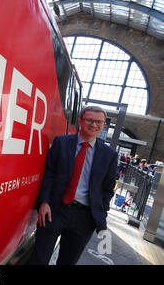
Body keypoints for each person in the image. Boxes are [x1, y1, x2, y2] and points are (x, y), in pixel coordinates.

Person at [28, 106, 118, 265]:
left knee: (67, 262)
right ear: (80, 121)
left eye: (99, 122)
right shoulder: (61, 143)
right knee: (38, 260)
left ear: (104, 125)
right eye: (89, 120)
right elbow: (49, 173)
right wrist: (44, 202)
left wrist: (100, 212)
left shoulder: (109, 155)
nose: (94, 124)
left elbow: (108, 188)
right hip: (54, 211)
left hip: (84, 218)